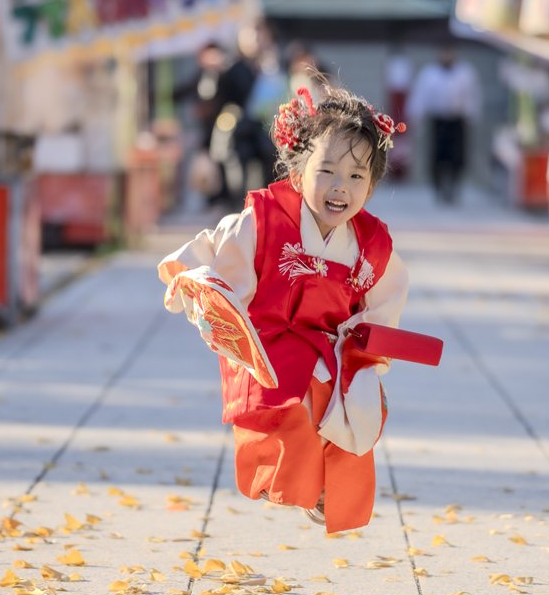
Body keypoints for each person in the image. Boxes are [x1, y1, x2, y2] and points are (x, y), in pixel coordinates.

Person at [157, 81, 409, 533]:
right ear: (297, 175)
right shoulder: (265, 219)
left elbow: (384, 300)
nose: (340, 188)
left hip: (330, 347)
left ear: (371, 187)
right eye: (327, 171)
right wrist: (199, 287)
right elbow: (217, 253)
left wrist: (368, 356)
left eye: (356, 177)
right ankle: (302, 484)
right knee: (297, 405)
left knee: (357, 408)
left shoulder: (371, 243)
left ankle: (328, 494)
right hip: (268, 342)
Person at [407, 44, 482, 204]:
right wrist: (416, 119)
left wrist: (471, 117)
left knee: (457, 156)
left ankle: (454, 186)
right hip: (438, 121)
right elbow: (420, 97)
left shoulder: (465, 73)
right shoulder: (429, 74)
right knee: (437, 156)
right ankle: (439, 187)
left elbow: (472, 96)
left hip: (457, 121)